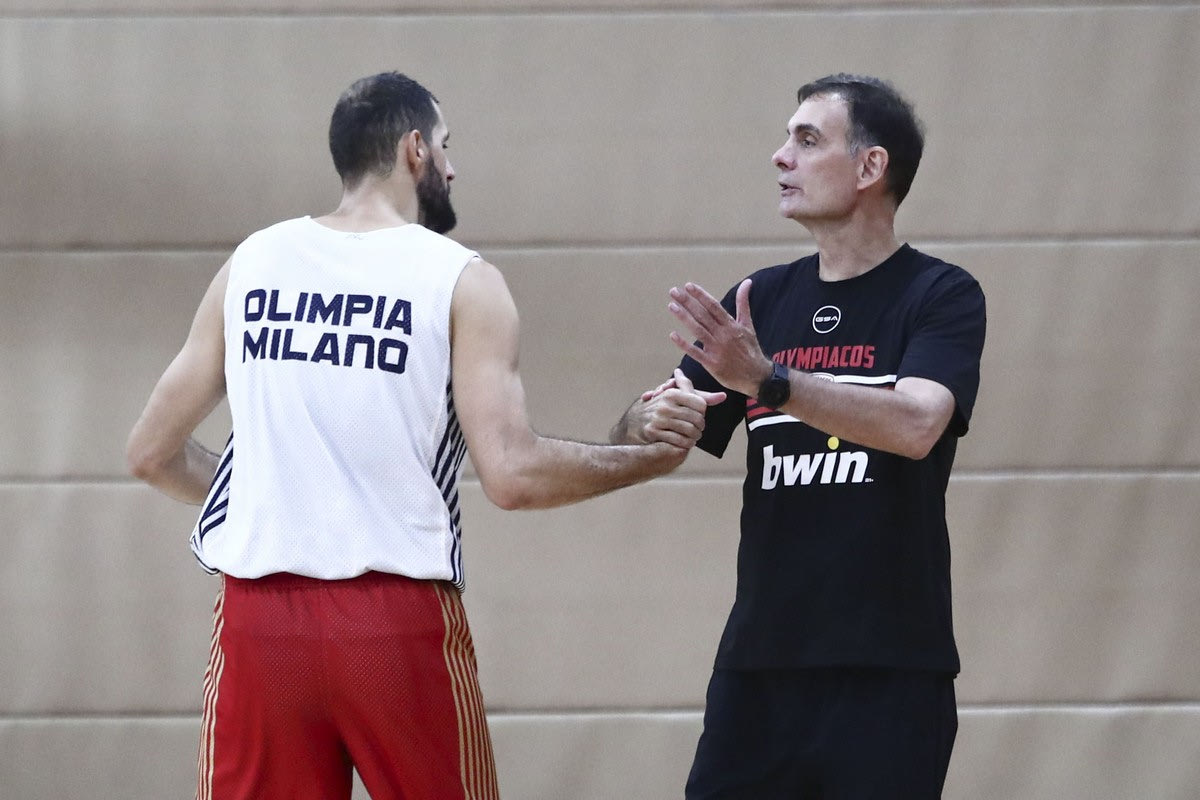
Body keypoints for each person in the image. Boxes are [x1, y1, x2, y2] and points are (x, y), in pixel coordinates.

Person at [125, 71, 723, 800]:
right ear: (415, 149)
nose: (452, 166)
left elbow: (150, 453)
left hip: (257, 621)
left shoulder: (251, 263)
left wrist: (271, 495)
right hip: (392, 621)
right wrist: (639, 456)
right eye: (446, 145)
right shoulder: (461, 279)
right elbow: (513, 475)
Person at [612, 74, 986, 798]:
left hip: (890, 671)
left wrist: (770, 381)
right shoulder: (761, 300)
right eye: (787, 139)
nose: (780, 156)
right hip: (758, 667)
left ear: (870, 167)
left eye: (807, 140)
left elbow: (916, 423)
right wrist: (647, 419)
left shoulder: (940, 294)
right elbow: (649, 436)